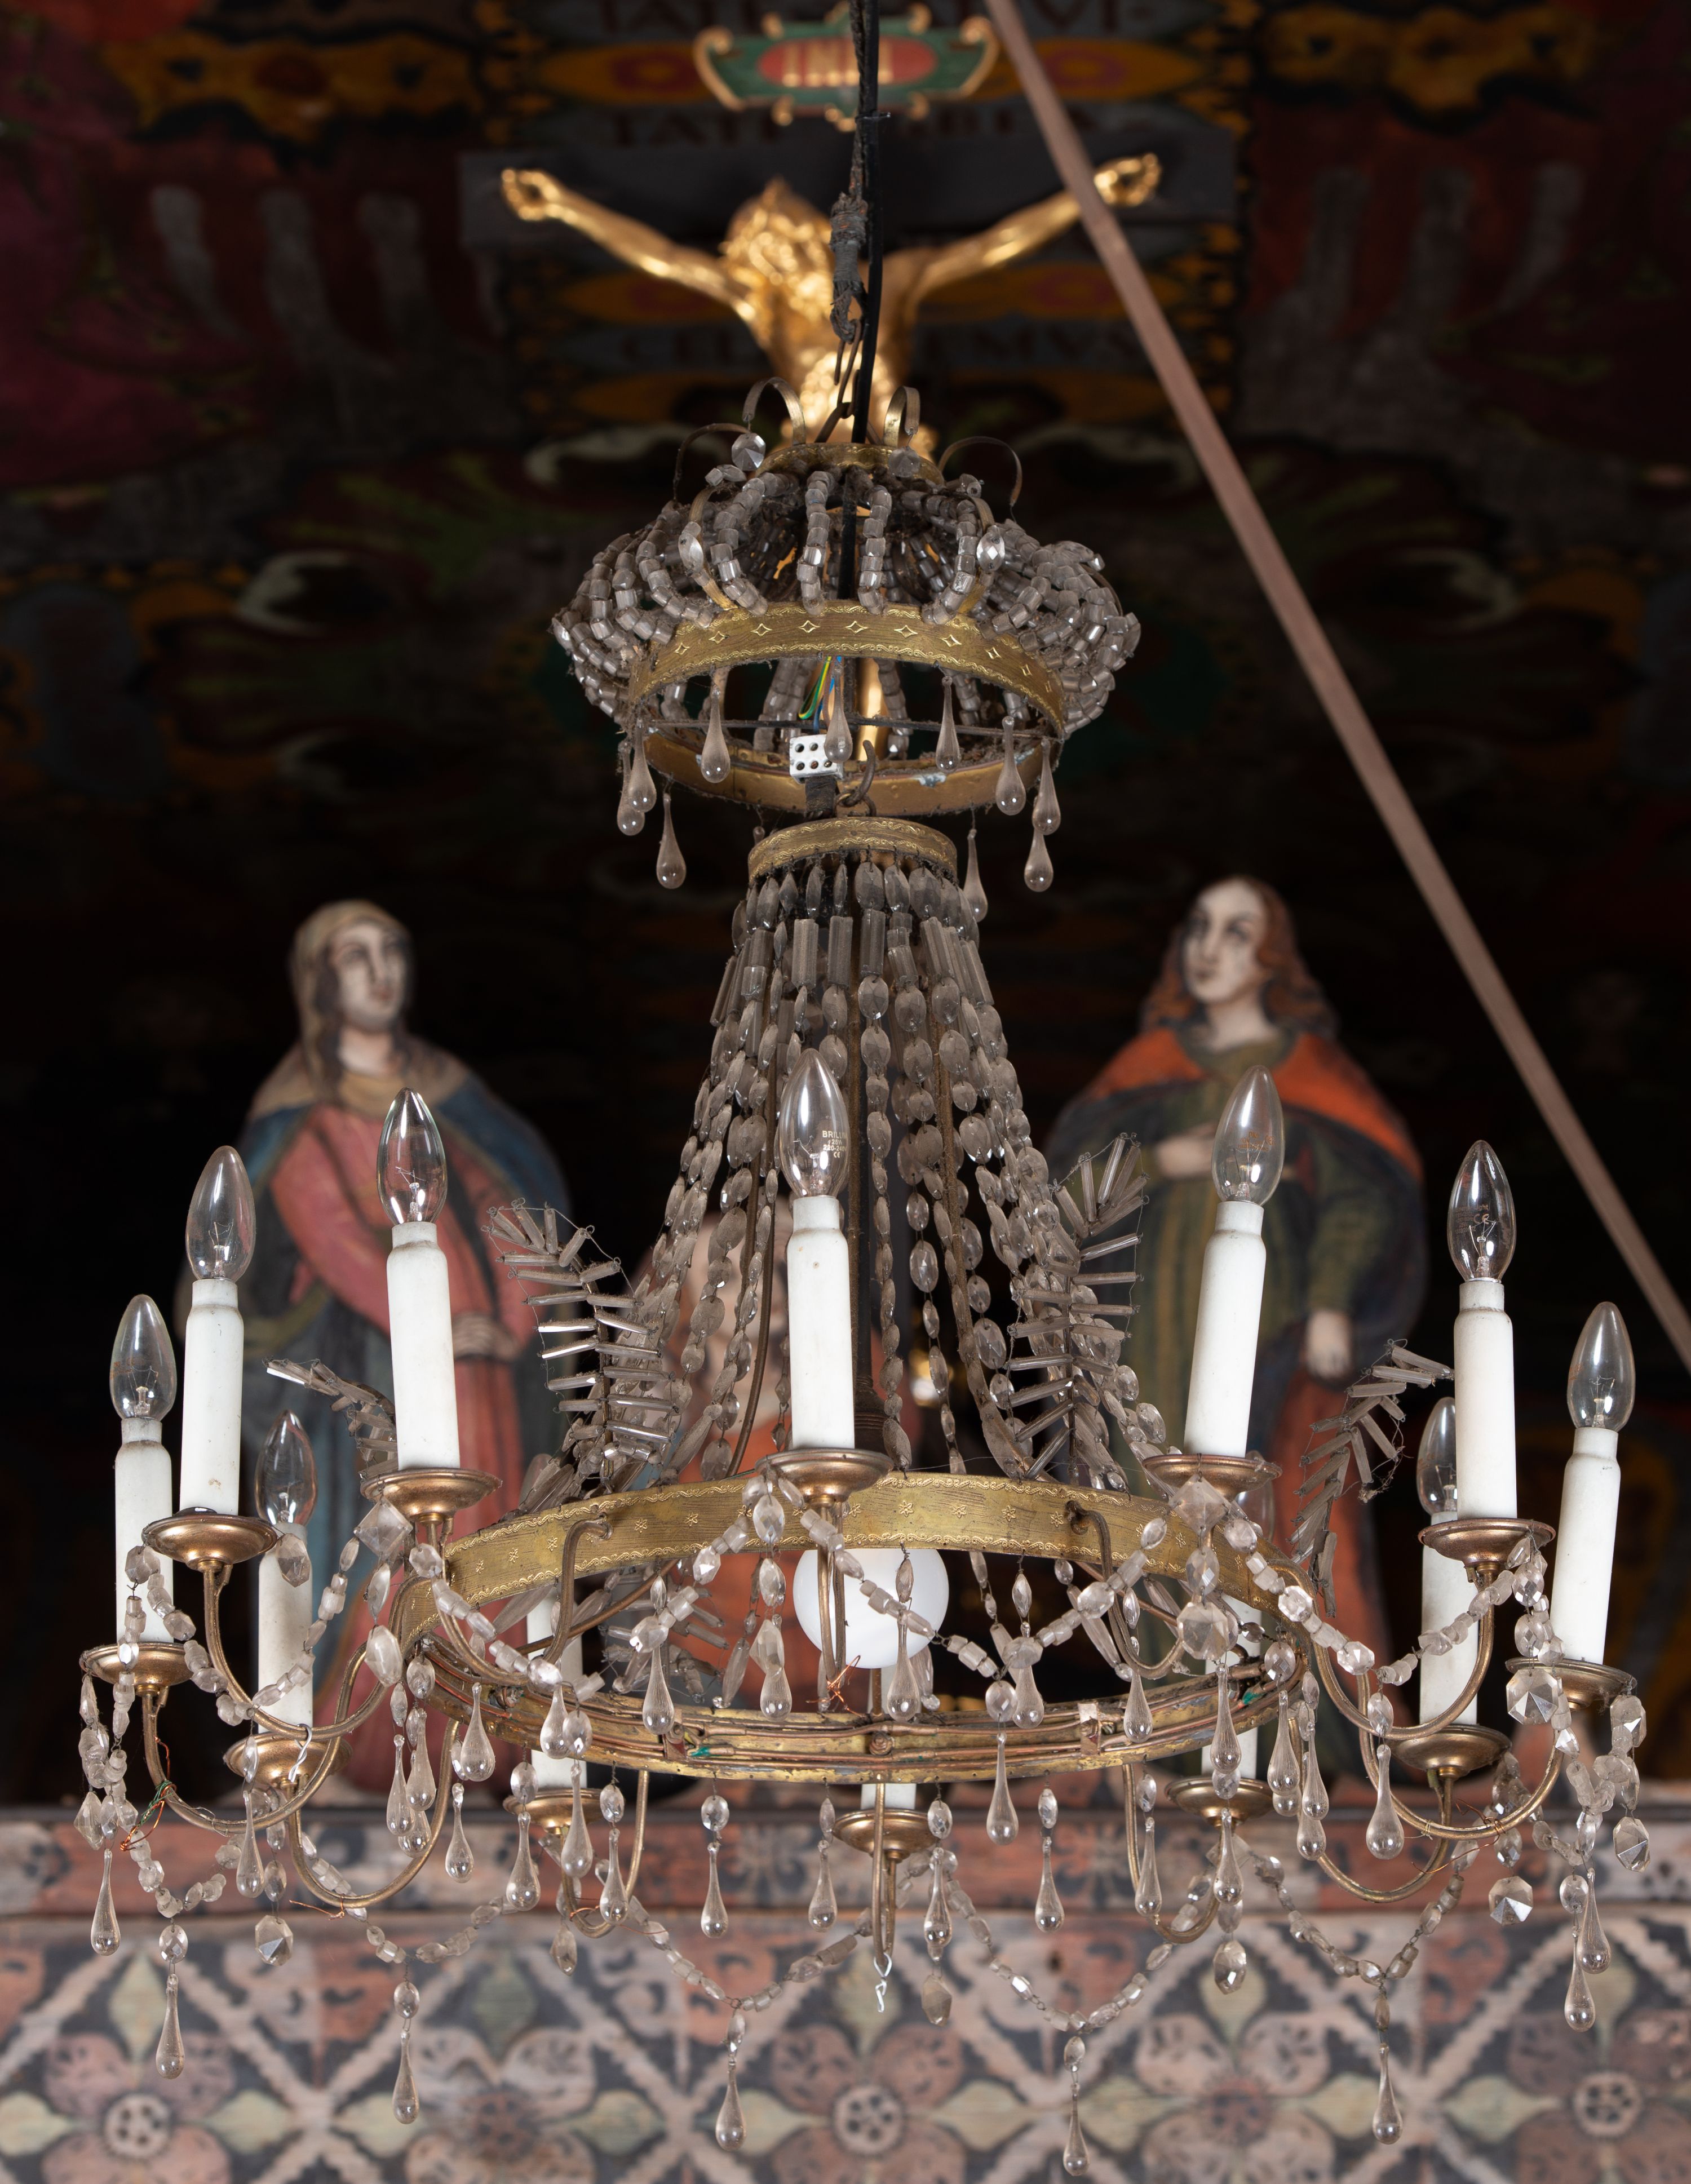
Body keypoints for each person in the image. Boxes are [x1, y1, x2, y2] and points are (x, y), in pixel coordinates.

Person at [1047, 877, 1425, 1660]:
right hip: (1152, 1330)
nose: (1209, 948)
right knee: (1154, 1504)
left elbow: (1365, 1196)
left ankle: (1286, 1698)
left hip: (1272, 1323)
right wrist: (1160, 1161)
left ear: (1272, 958)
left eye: (1237, 932)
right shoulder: (1148, 1069)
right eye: (1199, 927)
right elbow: (1063, 1191)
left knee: (1275, 1500)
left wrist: (1330, 1299)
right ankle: (1173, 1700)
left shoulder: (1313, 1073)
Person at [238, 901, 568, 1589]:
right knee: (389, 1552)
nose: (380, 970)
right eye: (355, 956)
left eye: (391, 950)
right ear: (319, 981)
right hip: (378, 1363)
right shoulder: (297, 1110)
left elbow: (504, 1202)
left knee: (484, 1529)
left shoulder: (450, 1090)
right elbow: (328, 1230)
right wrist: (429, 1327)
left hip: (478, 1351)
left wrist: (511, 1321)